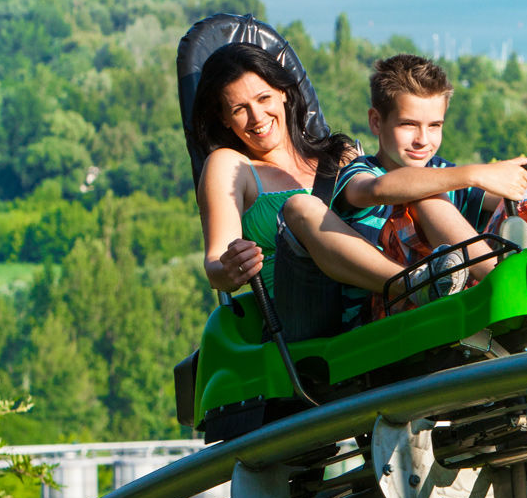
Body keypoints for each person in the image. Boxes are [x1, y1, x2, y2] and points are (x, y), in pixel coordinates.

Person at [189, 42, 473, 338]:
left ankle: (490, 270)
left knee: (415, 186)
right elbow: (216, 265)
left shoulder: (340, 156)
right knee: (302, 208)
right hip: (302, 310)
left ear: (283, 92)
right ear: (223, 118)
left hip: (364, 296)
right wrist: (230, 267)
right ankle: (414, 285)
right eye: (239, 109)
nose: (257, 117)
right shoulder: (231, 166)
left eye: (264, 98)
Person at [332, 55, 527, 279]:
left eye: (435, 126)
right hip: (391, 302)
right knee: (425, 194)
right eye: (408, 124)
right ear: (376, 122)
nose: (423, 140)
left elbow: (521, 190)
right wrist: (474, 174)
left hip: (454, 291)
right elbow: (378, 189)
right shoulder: (360, 173)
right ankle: (502, 280)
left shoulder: (445, 173)